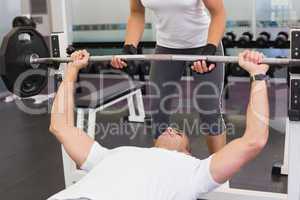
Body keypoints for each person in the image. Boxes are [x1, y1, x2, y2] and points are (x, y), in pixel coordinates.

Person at [48, 50, 270, 200]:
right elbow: (60, 126)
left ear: (188, 152)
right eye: (172, 128)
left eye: (180, 132)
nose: (171, 128)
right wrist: (71, 72)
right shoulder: (110, 155)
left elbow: (254, 141)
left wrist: (257, 76)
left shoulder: (195, 172)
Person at [111, 0, 227, 154]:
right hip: (166, 47)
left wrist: (210, 49)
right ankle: (163, 167)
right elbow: (136, 13)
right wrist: (129, 46)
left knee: (209, 111)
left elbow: (218, 14)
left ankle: (220, 175)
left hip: (204, 44)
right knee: (158, 111)